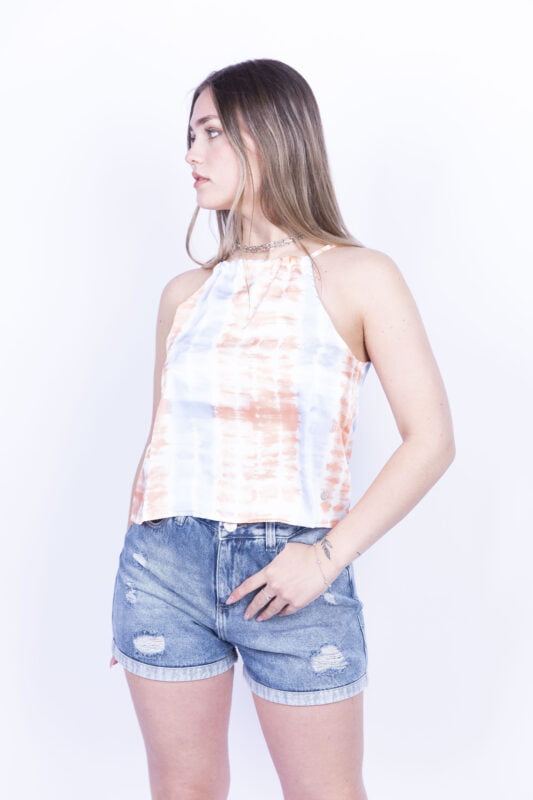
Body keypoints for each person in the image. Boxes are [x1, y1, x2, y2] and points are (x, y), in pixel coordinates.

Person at [109, 58, 455, 800]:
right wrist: (133, 583)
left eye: (210, 133)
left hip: (294, 571)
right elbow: (160, 444)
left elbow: (431, 439)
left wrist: (325, 559)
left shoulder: (360, 276)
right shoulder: (184, 294)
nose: (191, 153)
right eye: (190, 135)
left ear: (265, 137)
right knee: (182, 789)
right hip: (162, 567)